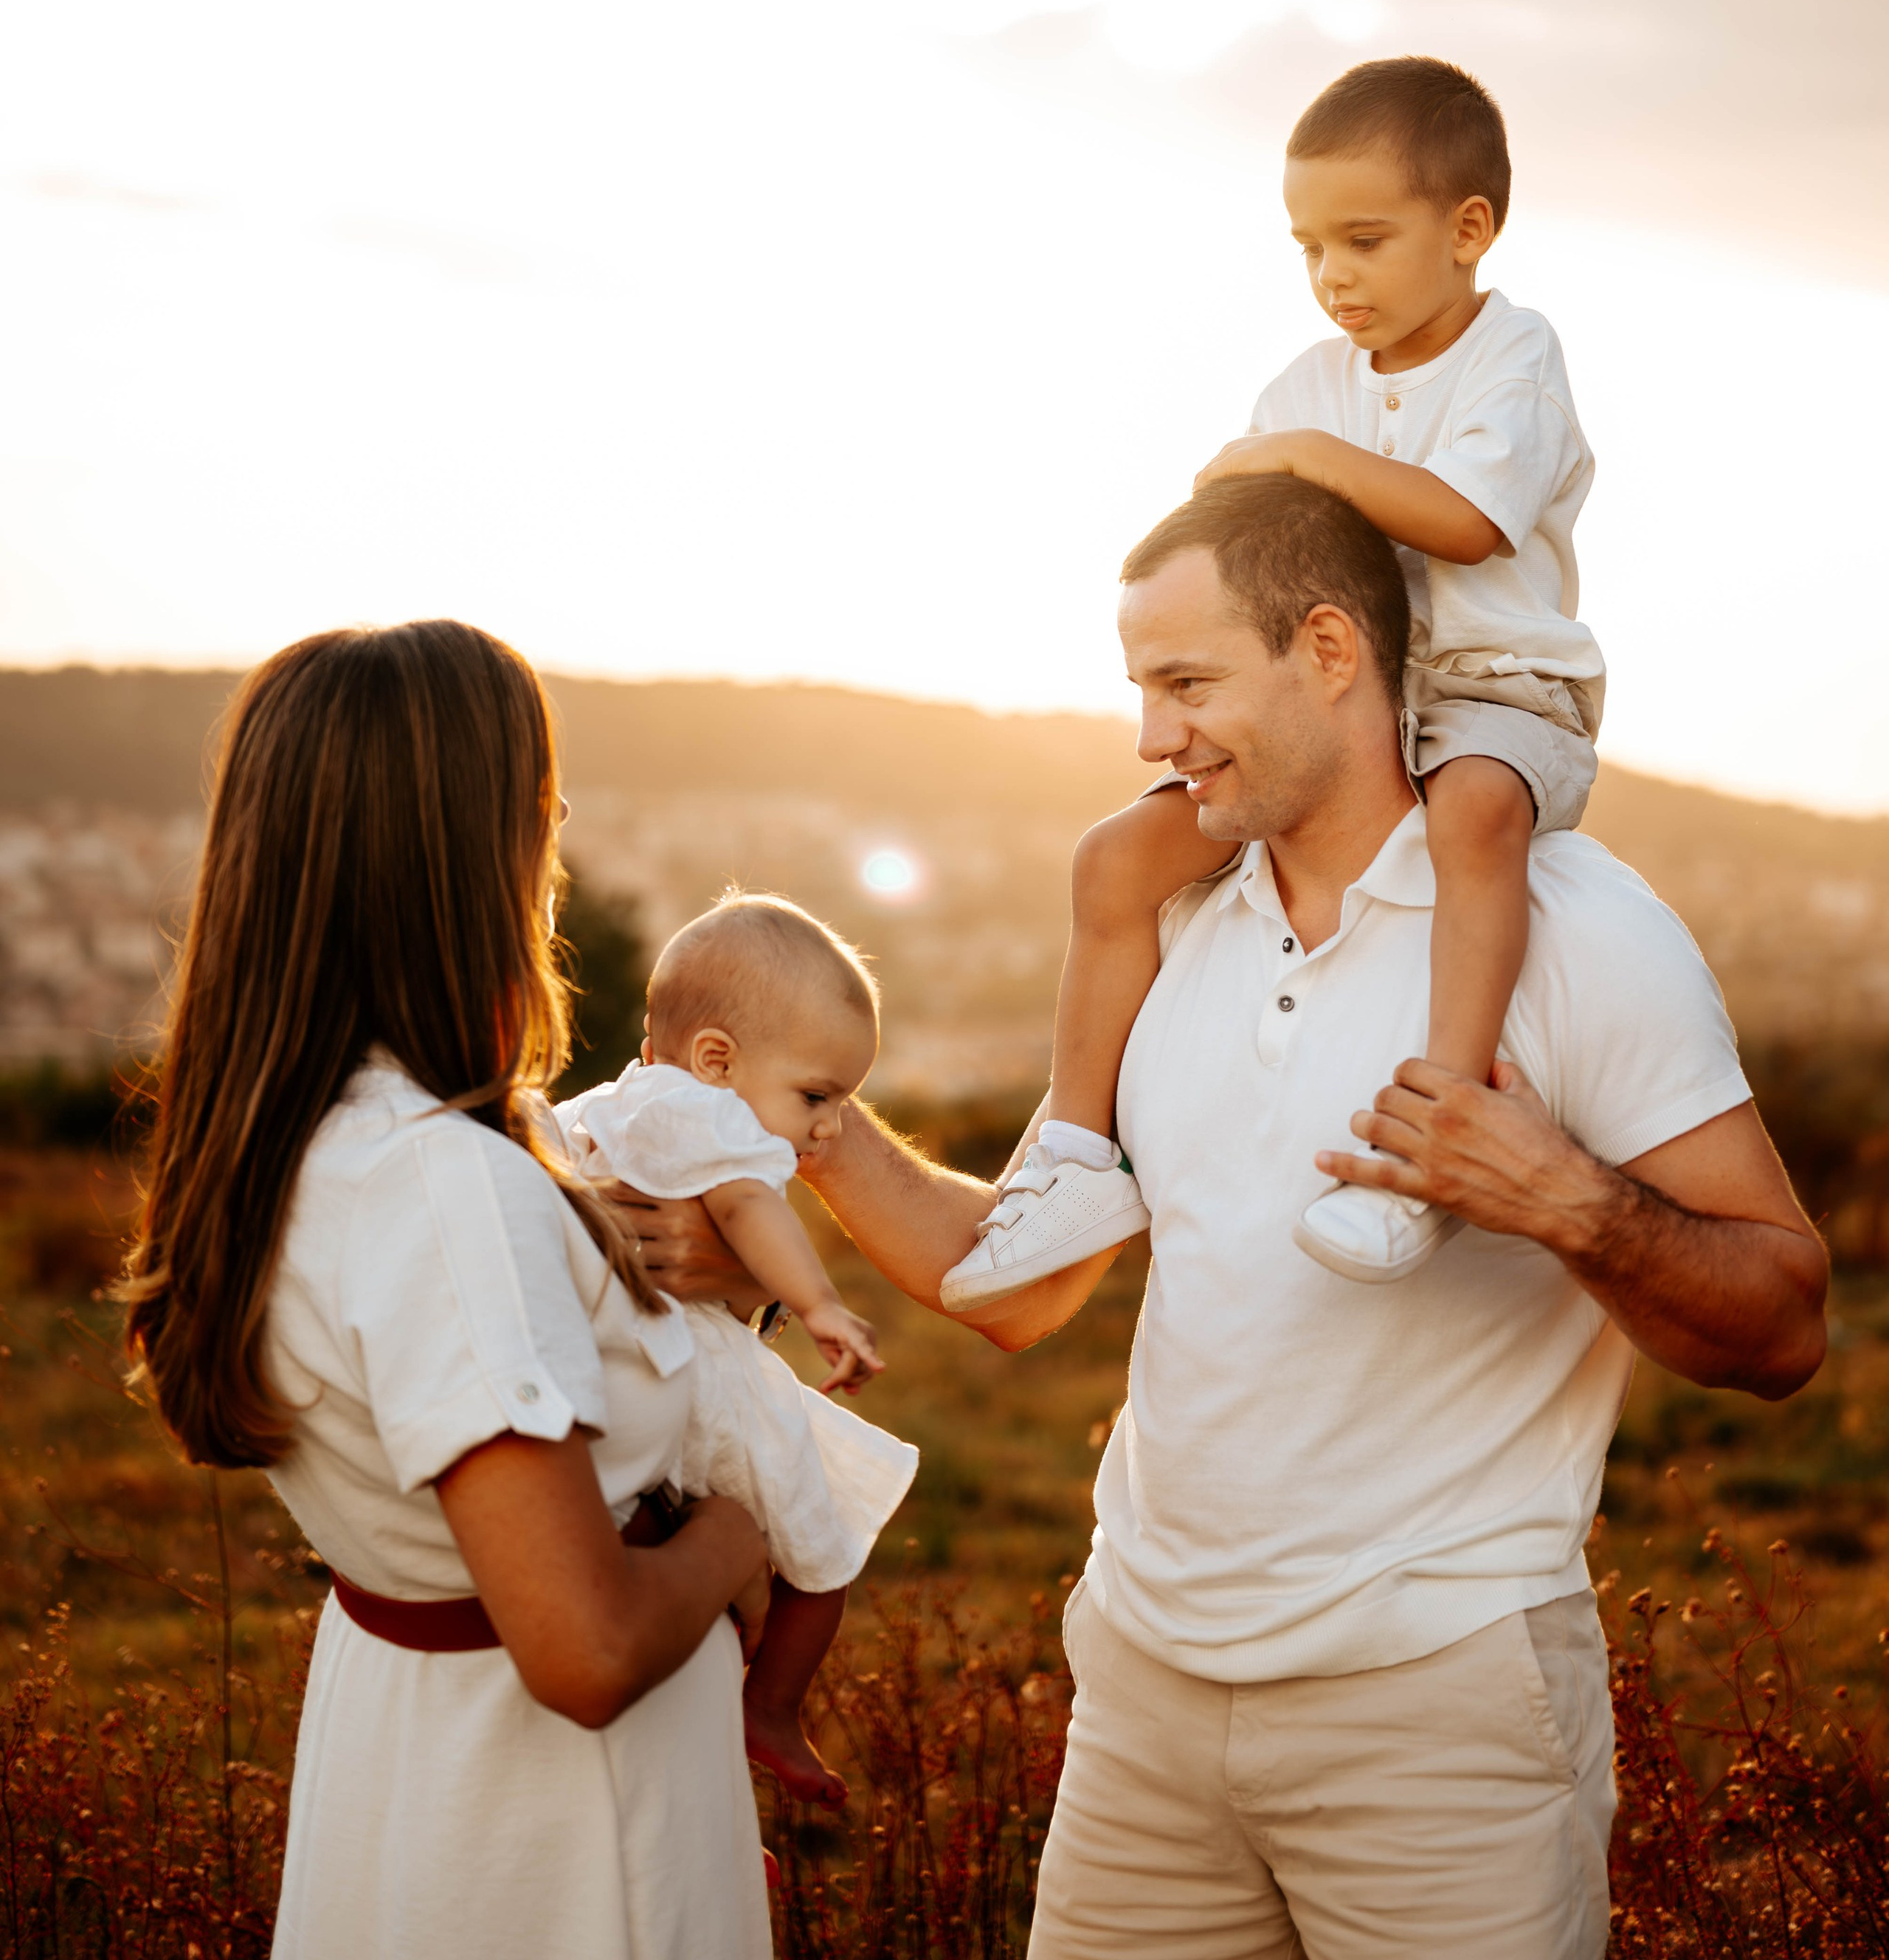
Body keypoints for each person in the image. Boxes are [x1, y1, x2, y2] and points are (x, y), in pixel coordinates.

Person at [622, 477, 1828, 1959]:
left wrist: (1567, 1202)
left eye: (1185, 682)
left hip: (1436, 1717)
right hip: (1141, 1700)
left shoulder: (1574, 931)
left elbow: (1780, 1322)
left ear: (1328, 649)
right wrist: (779, 1114)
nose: (1149, 736)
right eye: (1138, 687)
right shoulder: (1172, 921)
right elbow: (1011, 1285)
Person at [123, 620, 775, 1960]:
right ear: (457, 855)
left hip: (404, 1752)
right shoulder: (440, 1188)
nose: (562, 834)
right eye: (539, 804)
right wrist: (736, 1537)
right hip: (551, 1834)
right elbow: (583, 1649)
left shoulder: (308, 1141)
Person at [944, 54, 1608, 1306]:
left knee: (1475, 812)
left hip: (1498, 690)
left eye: (1365, 239)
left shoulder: (1513, 360)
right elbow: (1253, 540)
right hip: (1352, 703)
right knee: (1116, 860)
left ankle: (1434, 1131)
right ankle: (1079, 1152)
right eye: (1309, 248)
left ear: (1470, 230)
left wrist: (1301, 459)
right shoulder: (1308, 385)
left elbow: (1468, 522)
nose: (1333, 277)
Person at [564, 891, 919, 1807]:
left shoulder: (611, 1101)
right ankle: (770, 1707)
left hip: (606, 1381)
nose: (830, 1127)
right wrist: (821, 1305)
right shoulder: (712, 1117)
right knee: (824, 1543)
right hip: (701, 1380)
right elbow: (748, 1207)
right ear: (716, 1059)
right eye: (816, 1095)